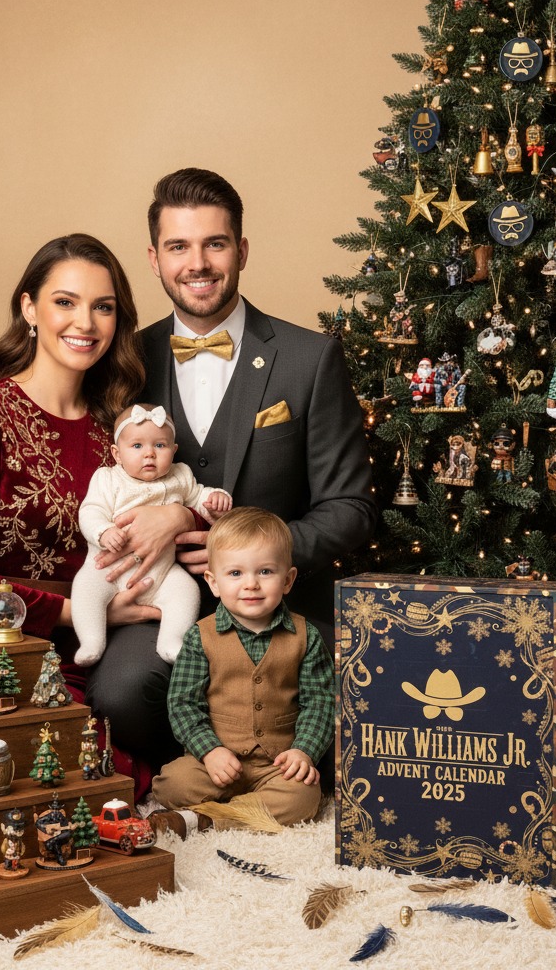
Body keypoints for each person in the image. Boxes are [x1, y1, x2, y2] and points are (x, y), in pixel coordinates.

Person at [86, 169, 376, 775]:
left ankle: (275, 771)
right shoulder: (124, 362)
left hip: (277, 604)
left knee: (360, 694)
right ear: (154, 258)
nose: (198, 263)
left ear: (240, 250)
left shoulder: (309, 358)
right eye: (178, 247)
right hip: (169, 606)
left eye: (215, 244)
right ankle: (207, 771)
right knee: (117, 695)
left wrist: (250, 555)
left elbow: (350, 509)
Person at [0, 233, 162, 789]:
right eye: (65, 302)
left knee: (103, 769)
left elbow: (178, 504)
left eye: (103, 307)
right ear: (29, 308)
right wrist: (89, 613)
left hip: (104, 648)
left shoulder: (126, 431)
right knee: (30, 778)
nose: (85, 322)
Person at [150, 508, 332, 831]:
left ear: (287, 580)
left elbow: (320, 703)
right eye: (235, 574)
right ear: (213, 582)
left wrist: (304, 751)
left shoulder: (305, 636)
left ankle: (209, 819)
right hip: (217, 763)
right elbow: (183, 704)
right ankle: (240, 810)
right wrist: (210, 751)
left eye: (265, 572)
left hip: (276, 764)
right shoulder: (200, 637)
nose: (251, 585)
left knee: (304, 796)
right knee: (170, 783)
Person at [71, 402, 231, 667]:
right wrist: (104, 531)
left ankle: (171, 640)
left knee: (186, 590)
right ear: (117, 453)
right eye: (137, 446)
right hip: (108, 570)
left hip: (162, 572)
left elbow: (199, 496)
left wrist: (216, 499)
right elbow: (90, 511)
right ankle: (91, 641)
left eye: (160, 446)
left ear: (174, 450)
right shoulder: (107, 479)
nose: (150, 455)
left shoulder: (180, 475)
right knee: (85, 589)